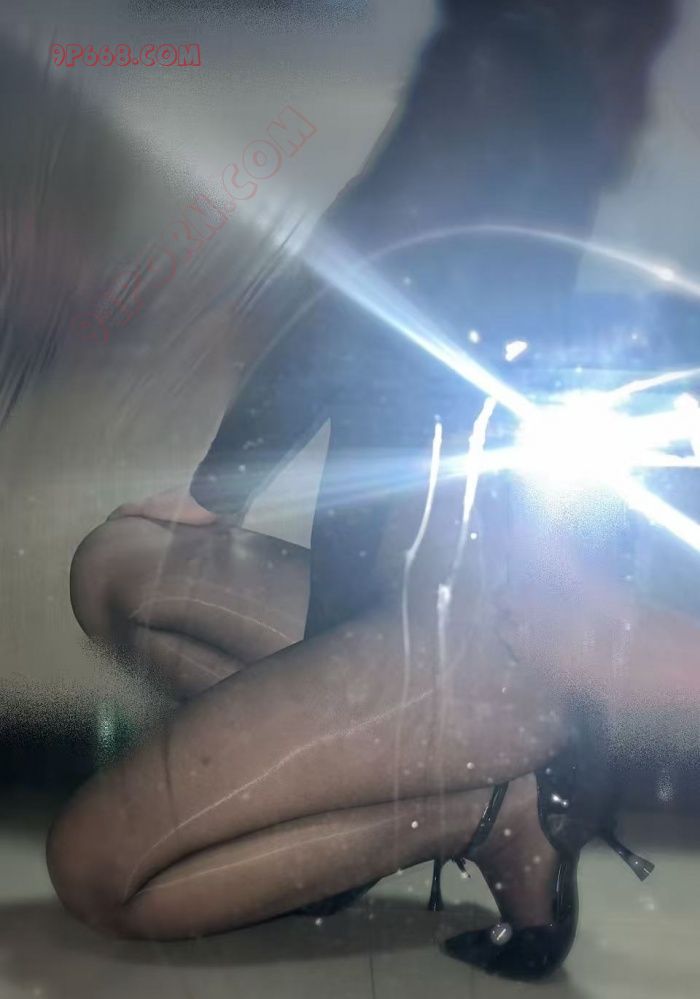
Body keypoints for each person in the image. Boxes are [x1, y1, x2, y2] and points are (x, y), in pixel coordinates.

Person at [47, 0, 688, 982]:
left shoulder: (499, 77)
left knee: (98, 874)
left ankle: (484, 811)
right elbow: (357, 302)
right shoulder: (521, 92)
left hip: (471, 652)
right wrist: (218, 496)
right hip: (396, 614)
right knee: (117, 568)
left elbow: (348, 298)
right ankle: (392, 793)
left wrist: (221, 492)